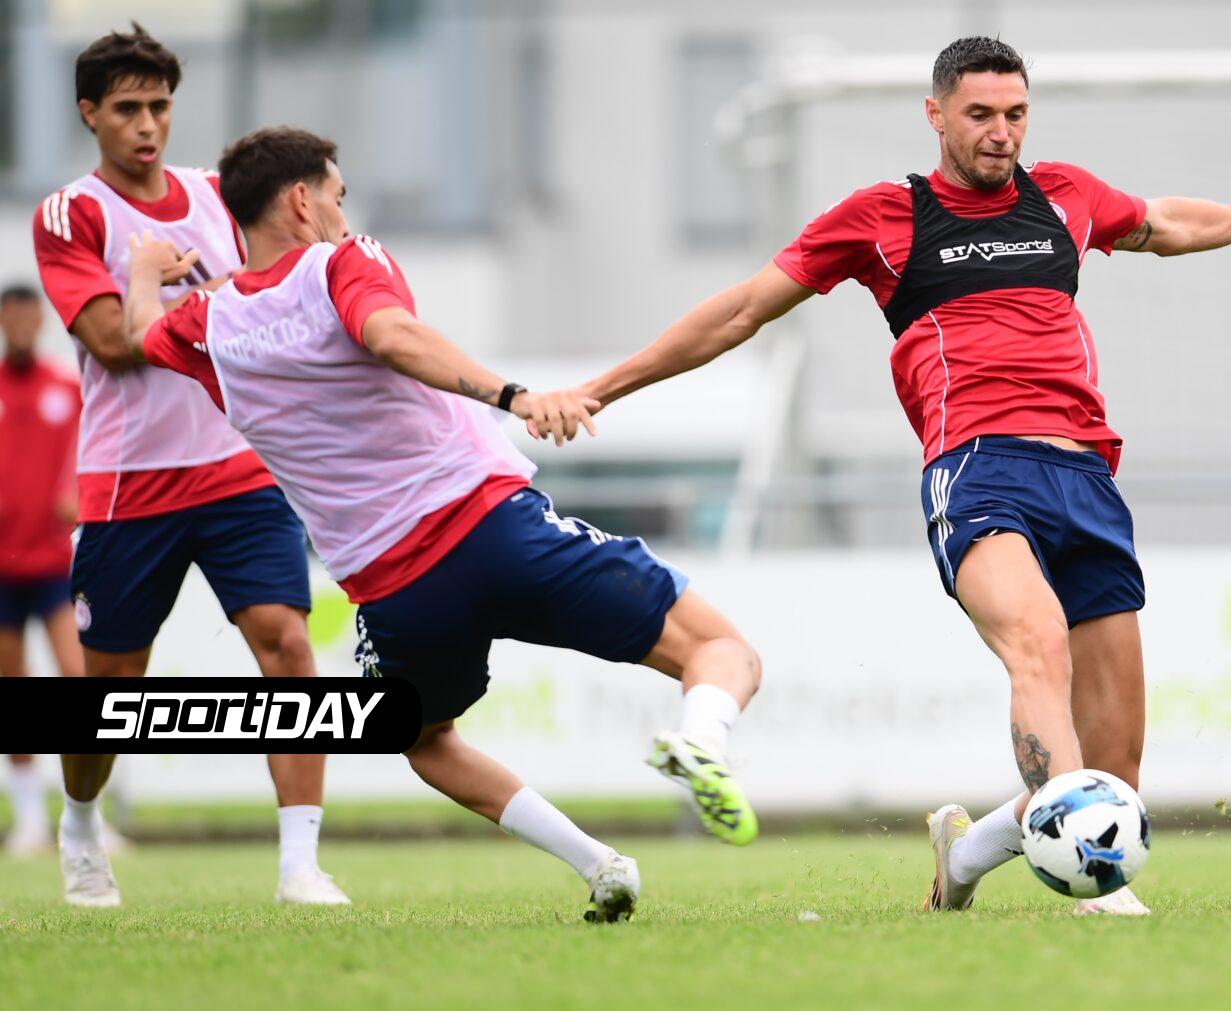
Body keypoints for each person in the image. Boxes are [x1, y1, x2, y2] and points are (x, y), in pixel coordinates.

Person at [572, 36, 1231, 917]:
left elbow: (1171, 224)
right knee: (1037, 643)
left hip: (1086, 476)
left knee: (1115, 772)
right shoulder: (882, 215)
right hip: (976, 469)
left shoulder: (1066, 195)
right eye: (980, 115)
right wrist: (602, 387)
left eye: (1015, 114)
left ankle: (963, 856)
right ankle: (1099, 890)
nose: (1000, 132)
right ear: (935, 115)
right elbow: (741, 309)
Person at [122, 127, 763, 922]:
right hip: (493, 529)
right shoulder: (343, 263)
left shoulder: (207, 325)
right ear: (302, 200)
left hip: (394, 590)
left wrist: (143, 274)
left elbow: (138, 334)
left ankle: (600, 865)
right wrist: (515, 396)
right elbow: (389, 334)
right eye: (338, 196)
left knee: (424, 739)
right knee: (721, 650)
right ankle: (701, 741)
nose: (343, 215)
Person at [30, 25, 345, 907]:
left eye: (160, 106)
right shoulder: (73, 215)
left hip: (240, 470)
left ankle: (300, 864)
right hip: (132, 487)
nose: (147, 125)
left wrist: (194, 295)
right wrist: (162, 283)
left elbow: (274, 301)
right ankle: (81, 821)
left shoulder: (215, 195)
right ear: (89, 113)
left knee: (288, 645)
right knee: (111, 686)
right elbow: (113, 342)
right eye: (127, 108)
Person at [0, 284, 84, 857]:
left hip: (55, 564)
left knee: (78, 679)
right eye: (14, 317)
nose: (23, 326)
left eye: (31, 317)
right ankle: (29, 822)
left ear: (41, 322)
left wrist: (76, 490)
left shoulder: (66, 388)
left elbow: (93, 447)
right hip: (3, 568)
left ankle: (84, 815)